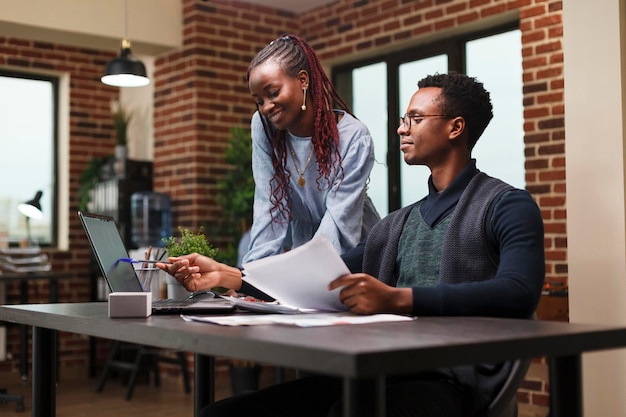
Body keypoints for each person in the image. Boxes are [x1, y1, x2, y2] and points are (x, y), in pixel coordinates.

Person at [174, 72, 545, 417]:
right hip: (385, 367)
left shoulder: (507, 205)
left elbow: (518, 292)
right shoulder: (397, 224)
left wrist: (398, 298)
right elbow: (322, 276)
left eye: (415, 119)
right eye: (404, 118)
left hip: (452, 382)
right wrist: (230, 275)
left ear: (455, 127)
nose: (402, 128)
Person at [158, 34, 379, 295]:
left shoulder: (354, 136)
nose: (265, 107)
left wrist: (270, 284)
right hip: (304, 251)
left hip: (354, 254)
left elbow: (339, 228)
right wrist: (250, 283)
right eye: (258, 100)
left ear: (303, 80)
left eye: (273, 93)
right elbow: (269, 208)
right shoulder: (264, 128)